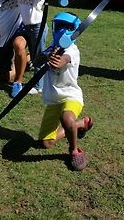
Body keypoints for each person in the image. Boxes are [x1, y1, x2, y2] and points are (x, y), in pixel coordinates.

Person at [36, 12, 93, 171]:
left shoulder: (72, 50)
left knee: (66, 117)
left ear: (74, 30)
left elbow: (62, 61)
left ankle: (74, 151)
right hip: (53, 100)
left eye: (67, 27)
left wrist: (56, 59)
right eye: (59, 26)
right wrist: (45, 56)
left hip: (71, 96)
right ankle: (82, 123)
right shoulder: (50, 48)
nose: (62, 30)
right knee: (46, 143)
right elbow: (36, 61)